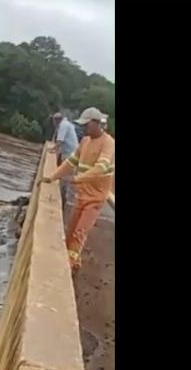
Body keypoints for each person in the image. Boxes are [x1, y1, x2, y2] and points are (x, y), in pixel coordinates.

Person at [42, 106, 114, 273]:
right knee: (71, 230)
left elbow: (100, 169)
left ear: (96, 123)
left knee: (79, 233)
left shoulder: (108, 144)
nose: (83, 128)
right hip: (82, 195)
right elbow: (71, 162)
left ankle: (70, 267)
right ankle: (71, 262)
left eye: (86, 125)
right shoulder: (85, 141)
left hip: (95, 199)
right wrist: (53, 176)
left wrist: (77, 179)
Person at [51, 111, 79, 208]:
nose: (53, 123)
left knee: (65, 179)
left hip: (69, 156)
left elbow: (59, 142)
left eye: (54, 120)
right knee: (66, 179)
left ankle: (62, 203)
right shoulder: (67, 124)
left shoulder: (63, 125)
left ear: (56, 120)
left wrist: (52, 150)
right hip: (72, 154)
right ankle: (64, 201)